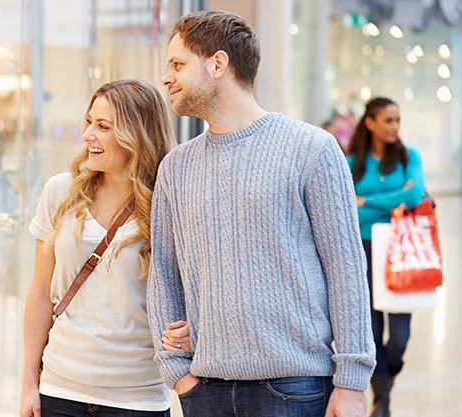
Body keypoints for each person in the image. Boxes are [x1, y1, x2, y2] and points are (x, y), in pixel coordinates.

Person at [148, 10, 375, 417]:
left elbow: (347, 270)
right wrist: (178, 374)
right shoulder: (176, 167)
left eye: (177, 64)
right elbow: (163, 272)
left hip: (296, 390)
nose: (166, 77)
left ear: (218, 64)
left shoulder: (312, 150)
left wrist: (352, 384)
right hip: (206, 391)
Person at [20, 79, 175, 417]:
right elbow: (40, 292)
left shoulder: (167, 204)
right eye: (89, 122)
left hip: (137, 398)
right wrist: (30, 382)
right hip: (60, 388)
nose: (88, 134)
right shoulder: (60, 192)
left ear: (138, 136)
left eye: (103, 126)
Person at [346, 97, 425, 417]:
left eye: (397, 121)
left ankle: (384, 385)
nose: (394, 127)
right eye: (388, 120)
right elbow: (344, 202)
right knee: (372, 330)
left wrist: (366, 201)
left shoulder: (409, 157)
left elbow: (414, 193)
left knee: (400, 336)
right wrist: (390, 200)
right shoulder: (353, 161)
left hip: (401, 248)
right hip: (364, 247)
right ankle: (382, 402)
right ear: (370, 122)